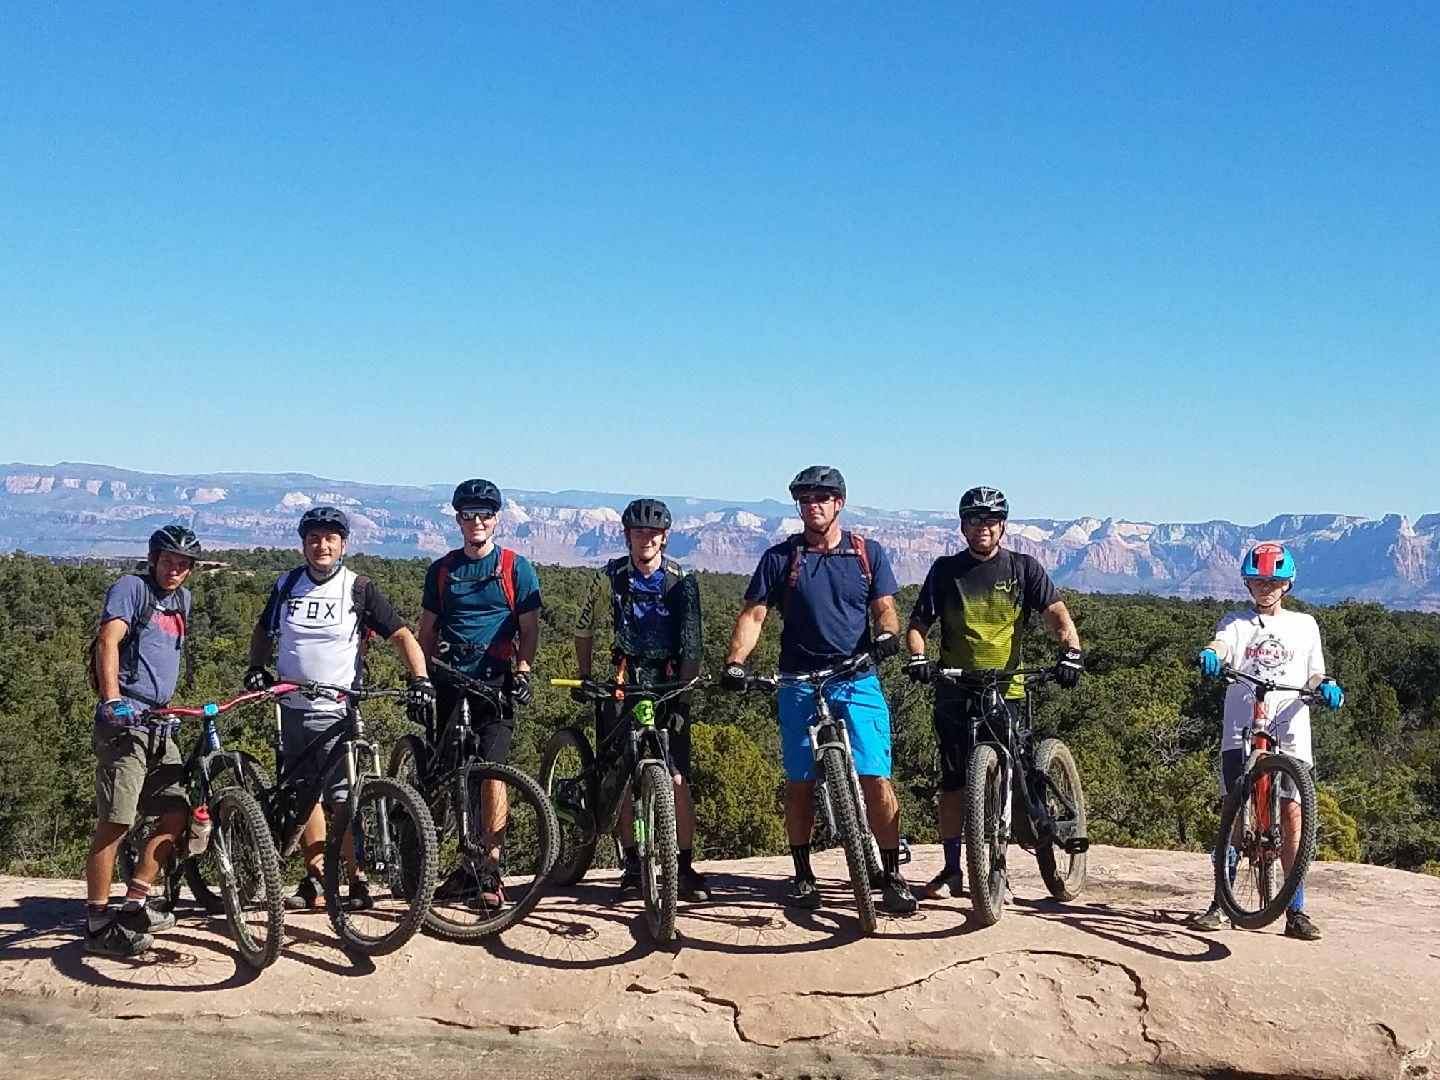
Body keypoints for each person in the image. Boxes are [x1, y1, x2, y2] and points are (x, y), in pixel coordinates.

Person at [721, 466, 916, 914]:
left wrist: (887, 636)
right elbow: (754, 617)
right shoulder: (780, 558)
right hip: (797, 681)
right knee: (799, 784)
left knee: (875, 778)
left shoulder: (868, 554)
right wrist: (735, 663)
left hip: (856, 677)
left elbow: (886, 609)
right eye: (805, 498)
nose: (813, 505)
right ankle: (803, 874)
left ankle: (891, 874)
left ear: (839, 503)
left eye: (822, 498)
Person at [245, 506, 433, 910]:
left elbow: (401, 635)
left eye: (330, 539)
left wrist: (419, 679)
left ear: (343, 545)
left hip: (338, 708)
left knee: (343, 797)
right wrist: (256, 668)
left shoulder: (358, 587)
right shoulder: (287, 584)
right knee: (304, 796)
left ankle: (356, 878)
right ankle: (315, 880)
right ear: (304, 544)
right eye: (314, 538)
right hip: (291, 705)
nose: (321, 545)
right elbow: (264, 629)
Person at [904, 486, 1084, 902]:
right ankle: (953, 870)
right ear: (963, 525)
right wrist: (917, 657)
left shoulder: (1023, 567)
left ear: (1002, 525)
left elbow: (1056, 612)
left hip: (1007, 688)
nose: (981, 527)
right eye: (973, 520)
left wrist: (1070, 650)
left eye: (989, 520)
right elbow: (918, 626)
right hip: (954, 687)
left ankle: (1003, 859)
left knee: (1011, 772)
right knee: (952, 782)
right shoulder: (946, 570)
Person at [1188, 541, 1344, 941]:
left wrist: (1325, 685)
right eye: (1258, 581)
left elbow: (1313, 672)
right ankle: (1221, 902)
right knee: (1236, 814)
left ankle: (1295, 910)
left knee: (1294, 816)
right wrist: (1211, 652)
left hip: (1290, 726)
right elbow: (1222, 644)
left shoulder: (1304, 624)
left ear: (1287, 584)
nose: (1265, 588)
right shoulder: (1236, 623)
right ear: (1247, 584)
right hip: (1241, 724)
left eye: (1273, 582)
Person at [573, 497, 709, 902]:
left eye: (652, 532)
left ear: (665, 537)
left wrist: (684, 693)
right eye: (638, 532)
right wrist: (584, 676)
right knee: (619, 773)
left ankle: (683, 867)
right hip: (624, 679)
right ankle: (632, 864)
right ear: (627, 536)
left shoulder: (681, 580)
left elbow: (693, 643)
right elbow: (584, 627)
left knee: (678, 778)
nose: (645, 539)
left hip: (667, 682)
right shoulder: (608, 577)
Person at [417, 479, 542, 907]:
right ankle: (454, 863)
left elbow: (530, 630)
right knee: (450, 772)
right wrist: (423, 679)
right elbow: (427, 630)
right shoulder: (443, 569)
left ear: (497, 519)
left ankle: (489, 869)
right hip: (450, 678)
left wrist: (523, 670)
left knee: (492, 772)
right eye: (468, 514)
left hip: (495, 681)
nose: (477, 521)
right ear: (457, 520)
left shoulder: (516, 568)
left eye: (485, 514)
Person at [84, 525, 202, 956]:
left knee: (176, 815)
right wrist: (114, 699)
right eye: (169, 561)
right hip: (125, 722)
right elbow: (109, 641)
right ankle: (98, 923)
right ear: (153, 559)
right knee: (116, 821)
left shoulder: (181, 600)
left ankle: (135, 902)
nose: (175, 570)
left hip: (160, 723)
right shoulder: (131, 589)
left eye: (184, 564)